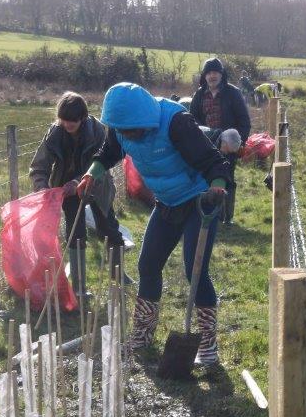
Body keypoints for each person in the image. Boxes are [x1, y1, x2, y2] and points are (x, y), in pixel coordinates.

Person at [77, 84, 232, 367]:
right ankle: (142, 335)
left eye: (132, 130)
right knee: (148, 265)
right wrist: (92, 174)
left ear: (144, 119)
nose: (128, 135)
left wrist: (218, 187)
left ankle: (207, 345)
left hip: (199, 200)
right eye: (123, 131)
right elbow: (108, 152)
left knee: (195, 270)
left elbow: (212, 160)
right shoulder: (120, 128)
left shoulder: (175, 122)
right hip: (166, 202)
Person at [29, 91, 130, 298]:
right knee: (76, 235)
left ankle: (118, 274)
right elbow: (39, 166)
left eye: (72, 121)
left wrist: (79, 181)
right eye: (63, 120)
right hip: (67, 190)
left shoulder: (98, 131)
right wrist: (42, 187)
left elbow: (101, 164)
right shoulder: (54, 134)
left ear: (82, 118)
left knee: (109, 229)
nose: (67, 125)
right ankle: (79, 287)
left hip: (97, 185)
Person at [189, 57, 251, 225]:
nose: (212, 76)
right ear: (204, 76)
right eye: (209, 73)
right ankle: (210, 215)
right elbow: (192, 120)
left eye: (215, 72)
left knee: (227, 179)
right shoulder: (199, 95)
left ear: (222, 74)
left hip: (227, 145)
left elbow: (244, 121)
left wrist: (238, 143)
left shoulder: (233, 93)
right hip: (206, 146)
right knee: (206, 180)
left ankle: (226, 218)